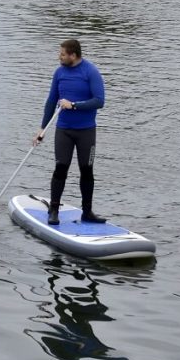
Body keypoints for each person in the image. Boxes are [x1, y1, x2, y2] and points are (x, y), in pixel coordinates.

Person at [34, 39, 106, 226]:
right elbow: (51, 101)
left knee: (87, 170)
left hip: (86, 131)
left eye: (63, 54)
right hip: (64, 130)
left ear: (73, 55)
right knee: (61, 168)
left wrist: (73, 105)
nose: (60, 57)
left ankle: (87, 212)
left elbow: (99, 101)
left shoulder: (91, 72)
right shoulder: (59, 73)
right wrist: (42, 129)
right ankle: (54, 210)